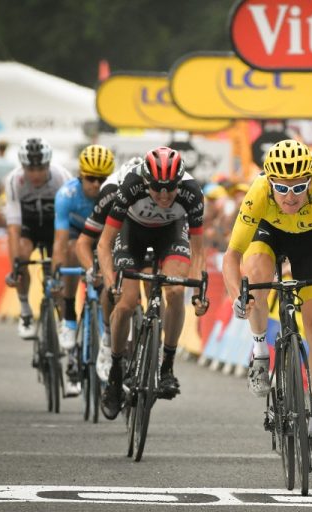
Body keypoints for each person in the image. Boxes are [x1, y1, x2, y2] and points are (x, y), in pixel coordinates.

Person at [222, 139, 312, 471]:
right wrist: (235, 295)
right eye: (281, 187)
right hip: (268, 234)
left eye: (299, 187)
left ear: (311, 180)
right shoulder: (258, 193)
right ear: (270, 182)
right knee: (255, 276)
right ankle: (259, 352)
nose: (290, 196)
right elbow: (232, 256)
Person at [98, 147, 207, 420]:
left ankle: (167, 366)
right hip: (131, 235)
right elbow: (104, 243)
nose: (164, 194)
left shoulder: (192, 192)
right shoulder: (130, 186)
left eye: (170, 187)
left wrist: (197, 293)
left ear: (180, 181)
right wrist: (112, 282)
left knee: (175, 289)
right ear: (146, 182)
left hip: (170, 234)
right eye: (157, 188)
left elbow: (199, 252)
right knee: (125, 304)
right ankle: (114, 372)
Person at [50, 144, 115, 396]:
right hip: (76, 236)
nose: (96, 185)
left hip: (103, 239)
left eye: (102, 179)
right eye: (90, 179)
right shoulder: (67, 195)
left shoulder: (112, 194)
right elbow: (59, 239)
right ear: (81, 175)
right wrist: (58, 271)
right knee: (69, 250)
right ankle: (68, 314)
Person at [75, 156, 144, 382]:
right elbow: (85, 241)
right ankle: (107, 336)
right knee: (110, 284)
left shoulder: (151, 194)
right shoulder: (111, 193)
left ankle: (152, 344)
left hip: (144, 236)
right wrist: (93, 270)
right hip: (115, 238)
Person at [4, 138, 72, 340]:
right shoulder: (14, 181)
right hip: (28, 227)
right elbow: (13, 228)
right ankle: (25, 312)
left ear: (48, 165)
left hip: (55, 227)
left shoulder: (61, 177)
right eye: (29, 168)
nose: (35, 174)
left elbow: (68, 221)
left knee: (58, 273)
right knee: (21, 255)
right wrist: (15, 265)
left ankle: (64, 322)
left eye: (40, 168)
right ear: (22, 166)